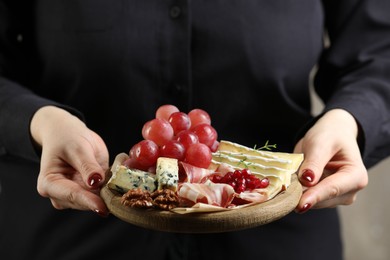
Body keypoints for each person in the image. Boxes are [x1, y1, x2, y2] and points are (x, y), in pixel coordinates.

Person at [1, 1, 389, 259]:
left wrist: (350, 119)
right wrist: (39, 121)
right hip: (67, 242)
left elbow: (380, 53)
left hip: (278, 239)